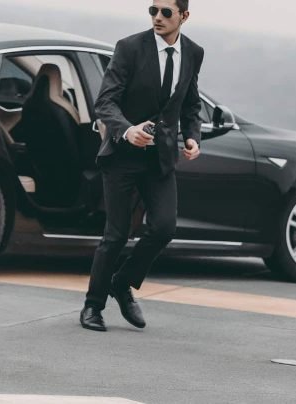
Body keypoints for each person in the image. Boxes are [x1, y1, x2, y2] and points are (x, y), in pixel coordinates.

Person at [80, 0, 205, 332]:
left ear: (184, 16)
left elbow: (190, 103)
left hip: (160, 157)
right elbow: (105, 101)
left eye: (166, 12)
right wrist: (127, 129)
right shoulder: (130, 48)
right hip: (122, 156)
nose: (158, 18)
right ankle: (93, 306)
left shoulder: (194, 52)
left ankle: (122, 283)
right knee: (116, 234)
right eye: (153, 11)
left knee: (165, 228)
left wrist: (192, 136)